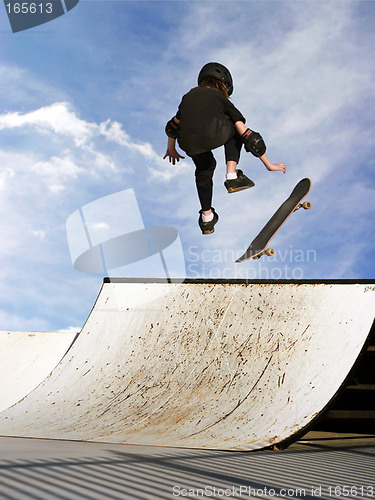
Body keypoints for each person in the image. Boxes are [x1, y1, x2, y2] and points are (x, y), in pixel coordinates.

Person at [163, 62, 286, 234]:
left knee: (204, 168)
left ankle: (207, 217)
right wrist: (268, 164)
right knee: (236, 127)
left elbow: (172, 126)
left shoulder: (188, 96)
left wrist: (171, 148)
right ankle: (232, 176)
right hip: (213, 134)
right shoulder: (219, 97)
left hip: (188, 143)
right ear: (224, 85)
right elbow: (248, 135)